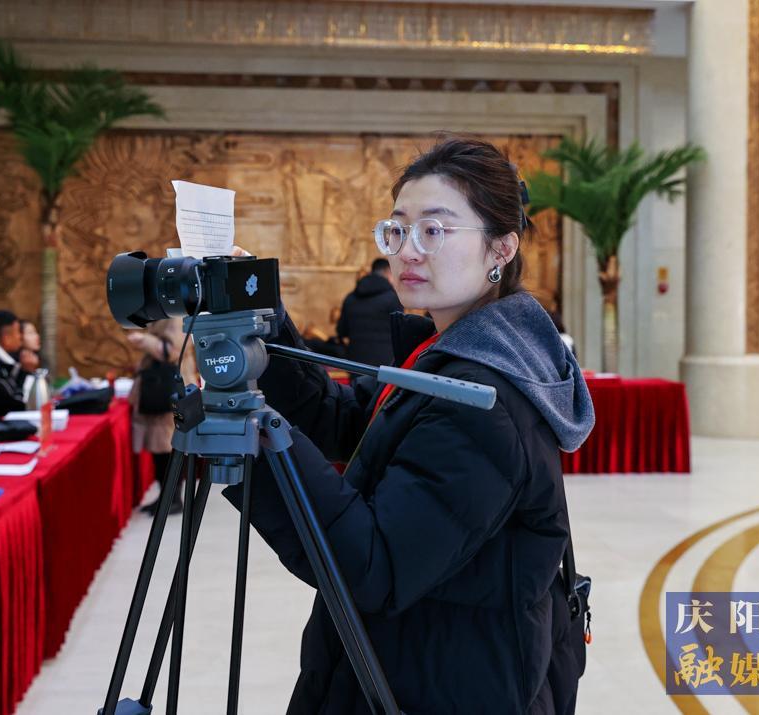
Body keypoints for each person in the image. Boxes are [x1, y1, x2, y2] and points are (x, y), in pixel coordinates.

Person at [224, 137, 595, 713]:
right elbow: (344, 420)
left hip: (442, 684)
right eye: (397, 230)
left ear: (501, 247)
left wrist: (256, 436)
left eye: (434, 230)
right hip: (422, 661)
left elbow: (375, 566)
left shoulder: (482, 402)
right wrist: (261, 322)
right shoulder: (451, 354)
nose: (408, 251)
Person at [127, 317, 197, 516]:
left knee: (168, 448)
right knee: (161, 450)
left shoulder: (175, 317)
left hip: (168, 389)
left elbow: (172, 351)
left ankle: (173, 499)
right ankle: (166, 497)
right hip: (161, 388)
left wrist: (144, 340)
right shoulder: (162, 316)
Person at [336, 257, 403, 365]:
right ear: (388, 272)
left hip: (355, 363)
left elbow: (342, 331)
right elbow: (401, 333)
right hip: (386, 364)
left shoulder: (350, 298)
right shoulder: (393, 298)